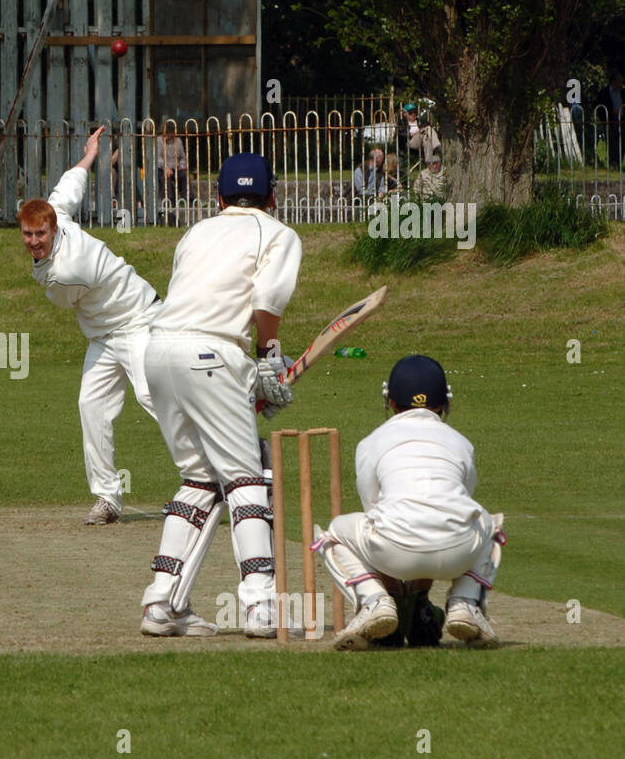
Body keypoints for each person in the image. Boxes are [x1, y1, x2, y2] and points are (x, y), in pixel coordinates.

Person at [139, 152, 300, 637]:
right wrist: (270, 359)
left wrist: (250, 374)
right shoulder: (277, 233)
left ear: (218, 196)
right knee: (247, 475)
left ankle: (161, 604)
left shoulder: (195, 232)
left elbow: (197, 302)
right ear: (273, 195)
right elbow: (266, 303)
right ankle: (260, 606)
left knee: (199, 478)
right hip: (211, 354)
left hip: (158, 352)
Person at [312, 355, 504, 650]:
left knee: (334, 532)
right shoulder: (461, 442)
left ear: (389, 401)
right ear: (445, 402)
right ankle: (465, 603)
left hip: (393, 549)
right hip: (459, 552)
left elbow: (373, 508)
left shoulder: (372, 441)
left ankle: (374, 602)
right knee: (490, 524)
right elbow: (461, 500)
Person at [20, 124, 161, 525]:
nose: (34, 242)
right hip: (104, 334)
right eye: (28, 234)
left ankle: (217, 475)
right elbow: (70, 186)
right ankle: (108, 499)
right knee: (91, 405)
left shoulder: (66, 272)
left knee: (154, 398)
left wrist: (39, 266)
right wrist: (90, 154)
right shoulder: (57, 213)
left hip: (139, 320)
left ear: (53, 228)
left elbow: (61, 300)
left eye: (40, 234)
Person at [594, 72, 624, 167]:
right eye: (618, 80)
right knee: (612, 143)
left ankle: (619, 161)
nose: (621, 82)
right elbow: (599, 107)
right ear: (613, 81)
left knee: (622, 142)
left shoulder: (623, 92)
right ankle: (613, 163)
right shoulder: (604, 93)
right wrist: (605, 119)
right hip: (610, 121)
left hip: (622, 121)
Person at [156, 128, 188, 213]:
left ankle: (187, 199)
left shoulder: (178, 141)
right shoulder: (158, 141)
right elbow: (158, 158)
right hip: (163, 168)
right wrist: (165, 168)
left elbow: (183, 158)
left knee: (184, 175)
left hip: (176, 168)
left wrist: (181, 166)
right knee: (166, 177)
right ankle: (168, 200)